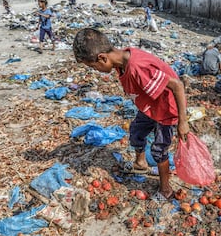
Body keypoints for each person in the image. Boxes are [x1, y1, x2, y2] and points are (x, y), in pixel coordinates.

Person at [73, 28, 189, 201]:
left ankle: (166, 189)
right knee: (136, 132)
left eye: (93, 66)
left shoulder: (137, 67)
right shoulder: (122, 62)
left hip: (165, 110)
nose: (95, 70)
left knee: (159, 149)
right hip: (150, 106)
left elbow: (177, 86)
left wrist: (183, 121)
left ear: (102, 58)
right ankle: (140, 163)